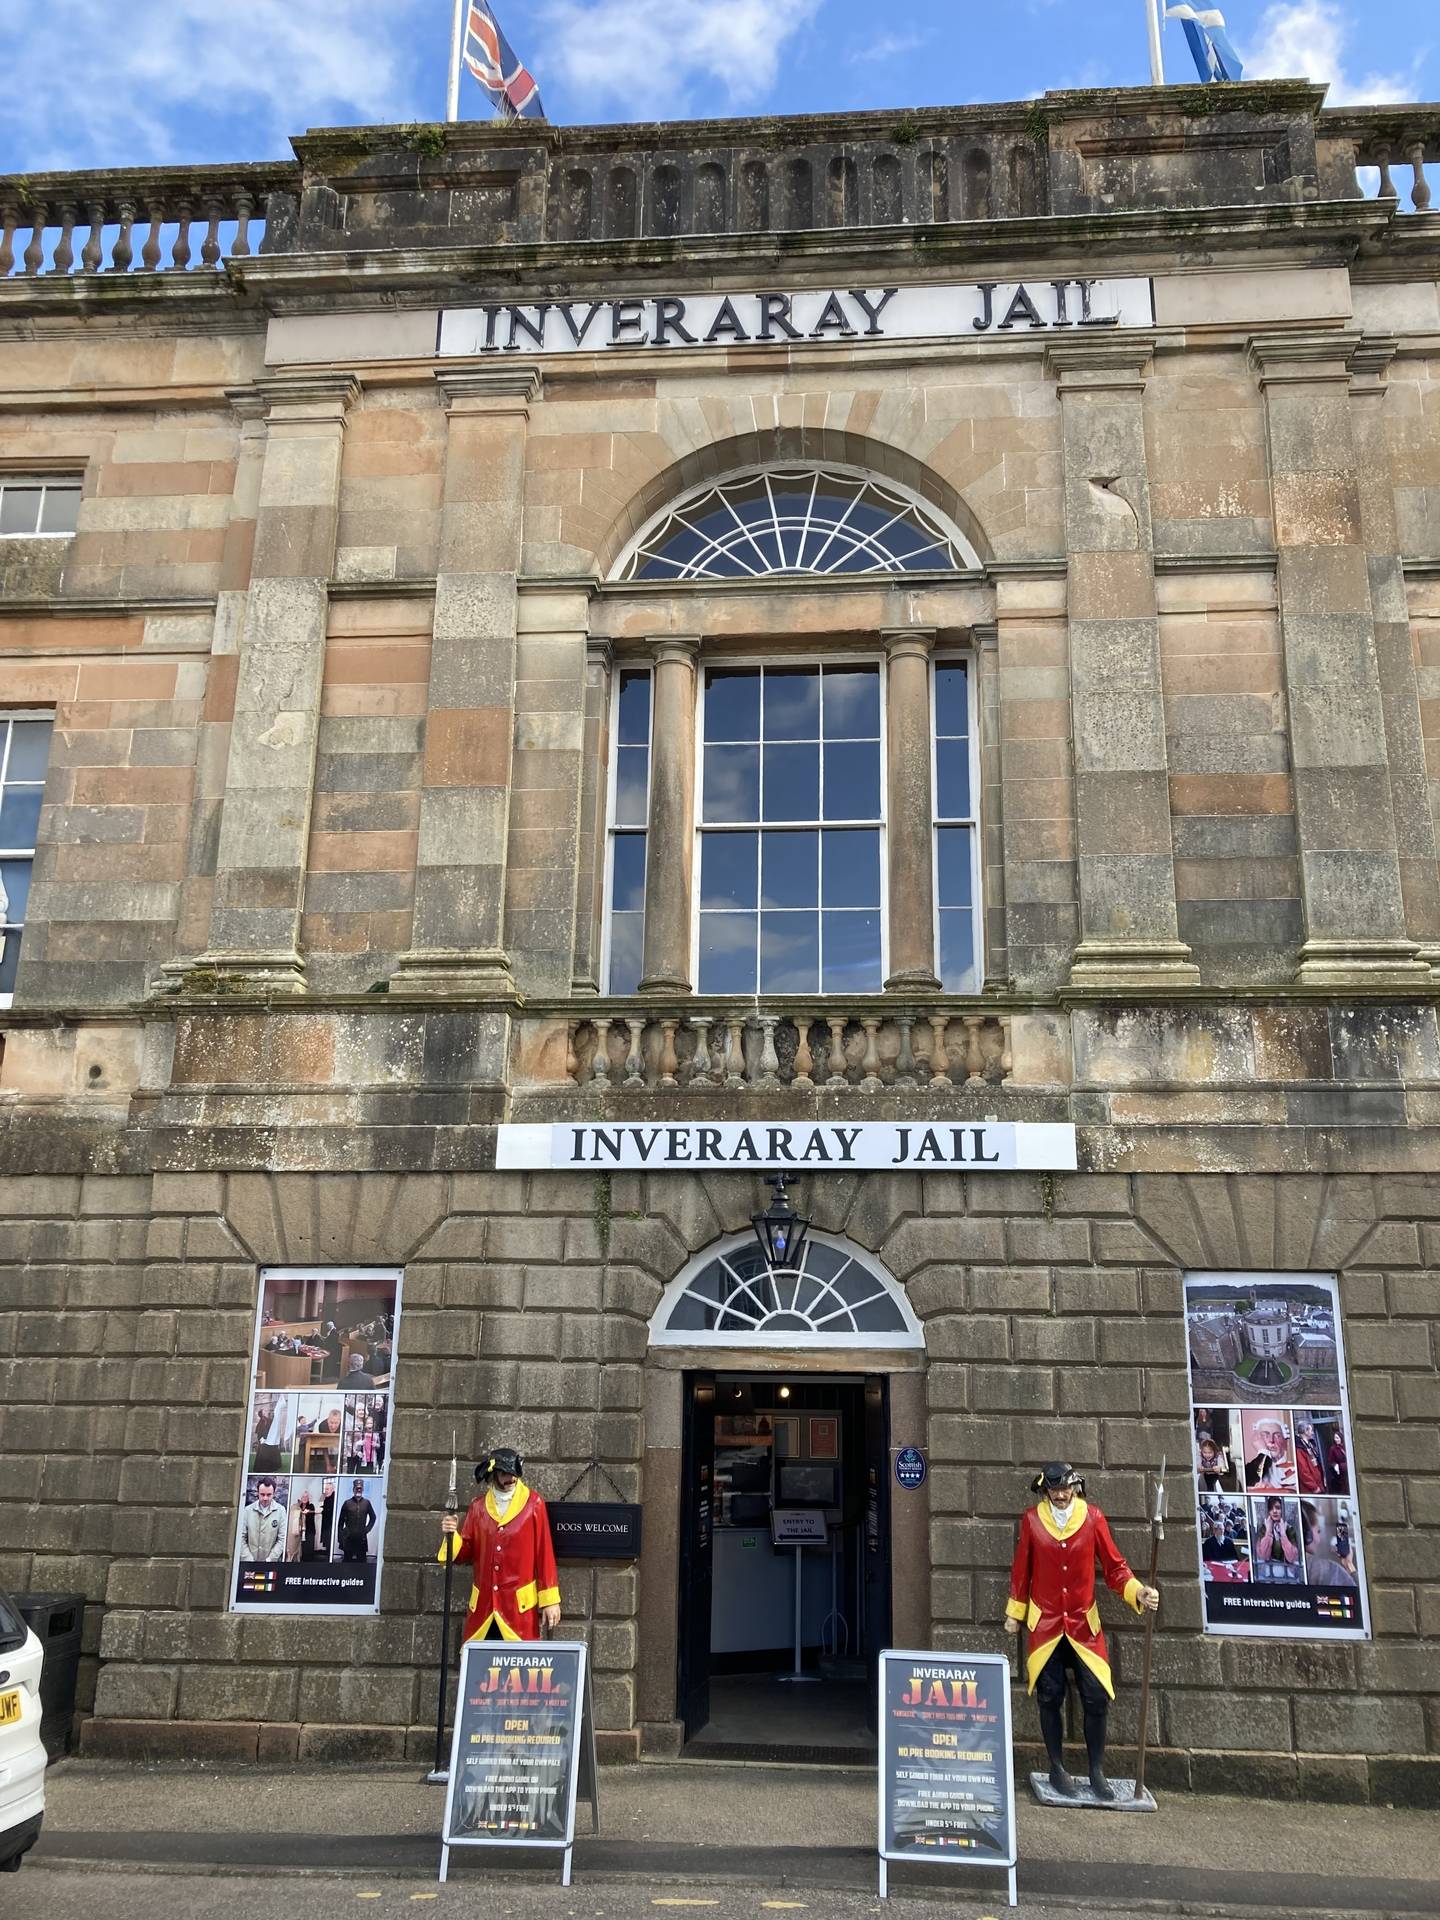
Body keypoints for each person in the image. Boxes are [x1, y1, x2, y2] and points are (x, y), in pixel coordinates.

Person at [1004, 1462, 1159, 1803]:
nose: (1060, 1495)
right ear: (1046, 1491)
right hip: (1045, 1624)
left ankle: (1096, 1770)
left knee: (1096, 1695)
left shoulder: (1093, 1518)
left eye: (1065, 1488)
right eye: (1054, 1489)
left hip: (1083, 1625)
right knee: (1049, 1694)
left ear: (1074, 1488)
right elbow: (1022, 1569)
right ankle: (1057, 1767)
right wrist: (1015, 1612)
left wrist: (1137, 1591)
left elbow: (1115, 1567)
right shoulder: (1031, 1520)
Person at [439, 1446, 561, 1642]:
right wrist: (451, 1535)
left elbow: (544, 1553)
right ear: (493, 1474)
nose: (510, 1478)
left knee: (519, 1661)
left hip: (518, 1609)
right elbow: (465, 1553)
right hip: (483, 1609)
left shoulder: (533, 1504)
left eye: (513, 1473)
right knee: (480, 1659)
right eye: (504, 1474)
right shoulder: (478, 1507)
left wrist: (550, 1600)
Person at [240, 1478, 286, 1562]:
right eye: (262, 1494)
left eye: (269, 1495)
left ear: (274, 1494)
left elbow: (282, 1539)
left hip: (271, 1564)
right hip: (248, 1563)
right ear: (257, 1493)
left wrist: (270, 1560)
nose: (265, 1498)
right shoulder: (247, 1510)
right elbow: (241, 1537)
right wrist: (248, 1559)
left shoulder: (281, 1511)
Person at [1244, 1417, 1296, 1491]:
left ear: (1285, 1442)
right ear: (1257, 1440)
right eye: (1265, 1435)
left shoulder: (1295, 1469)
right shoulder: (1251, 1468)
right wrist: (1263, 1452)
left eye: (1277, 1436)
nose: (1271, 1440)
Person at [338, 1478, 377, 1562]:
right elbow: (340, 1522)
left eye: (360, 1489)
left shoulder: (366, 1503)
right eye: (357, 1488)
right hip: (349, 1538)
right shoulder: (347, 1503)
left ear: (362, 1490)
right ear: (353, 1489)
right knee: (347, 1562)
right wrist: (340, 1537)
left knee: (362, 1563)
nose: (358, 1490)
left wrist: (367, 1529)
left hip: (361, 1538)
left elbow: (373, 1517)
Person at [1254, 1496, 1298, 1568]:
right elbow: (1263, 1556)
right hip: (1268, 1569)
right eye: (1271, 1508)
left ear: (1282, 1510)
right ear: (1268, 1511)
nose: (1274, 1511)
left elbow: (1291, 1558)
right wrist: (1268, 1532)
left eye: (1278, 1508)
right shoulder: (1263, 1529)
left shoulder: (1290, 1529)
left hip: (1288, 1569)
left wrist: (1283, 1534)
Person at [1295, 1421, 1326, 1495]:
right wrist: (1314, 1487)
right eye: (1311, 1430)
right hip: (1311, 1489)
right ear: (1306, 1431)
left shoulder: (1310, 1445)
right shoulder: (1299, 1448)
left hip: (1317, 1484)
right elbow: (1303, 1471)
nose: (1312, 1433)